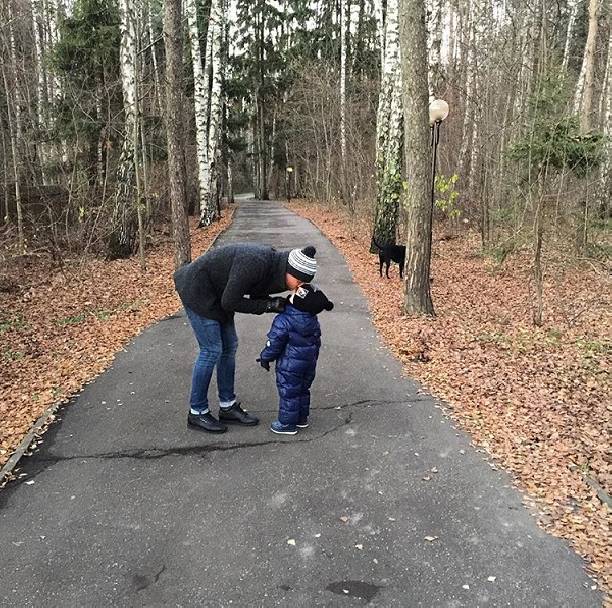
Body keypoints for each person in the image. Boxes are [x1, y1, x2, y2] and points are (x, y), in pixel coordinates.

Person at [173, 243, 318, 433]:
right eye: (298, 281)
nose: (298, 287)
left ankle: (228, 406)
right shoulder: (255, 262)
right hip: (197, 290)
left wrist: (271, 303)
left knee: (229, 347)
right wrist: (269, 306)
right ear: (290, 270)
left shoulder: (276, 268)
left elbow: (254, 291)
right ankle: (197, 412)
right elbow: (231, 301)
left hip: (219, 295)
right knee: (211, 350)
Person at [257, 283, 334, 435]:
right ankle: (301, 418)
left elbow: (274, 342)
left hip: (289, 366)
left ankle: (286, 424)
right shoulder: (312, 320)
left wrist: (265, 357)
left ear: (298, 302)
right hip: (308, 363)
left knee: (289, 392)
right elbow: (316, 342)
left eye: (293, 295)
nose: (289, 295)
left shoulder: (284, 320)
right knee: (303, 390)